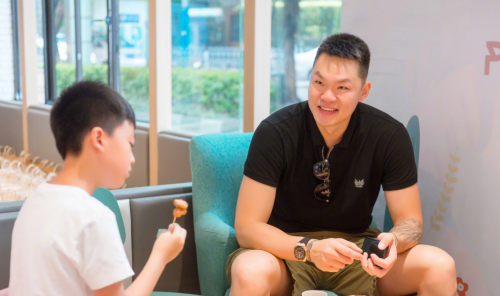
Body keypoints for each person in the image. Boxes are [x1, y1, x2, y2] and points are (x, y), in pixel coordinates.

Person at [228, 33, 457, 296]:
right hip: (288, 250)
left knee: (440, 266)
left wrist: (394, 240)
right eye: (318, 82)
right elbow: (247, 227)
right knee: (248, 270)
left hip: (358, 252)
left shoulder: (389, 135)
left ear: (364, 91)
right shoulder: (275, 131)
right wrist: (311, 249)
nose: (326, 96)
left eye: (342, 88)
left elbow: (411, 220)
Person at [9, 81, 187, 296]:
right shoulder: (94, 217)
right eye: (130, 144)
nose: (132, 159)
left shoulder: (35, 200)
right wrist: (161, 255)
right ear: (99, 138)